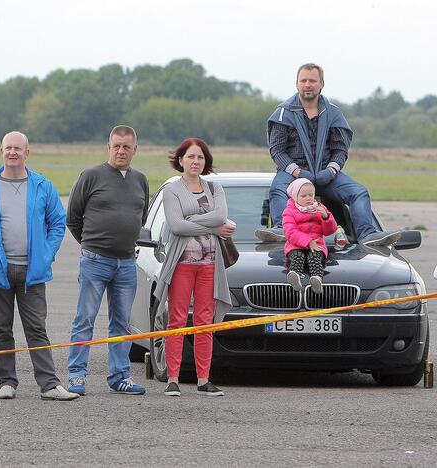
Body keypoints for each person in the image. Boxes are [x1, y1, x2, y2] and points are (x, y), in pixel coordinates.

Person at [0, 131, 79, 401]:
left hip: (32, 272)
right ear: (1, 151)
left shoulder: (42, 186)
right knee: (1, 329)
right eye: (8, 148)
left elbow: (57, 223)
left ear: (27, 152)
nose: (12, 152)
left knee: (36, 328)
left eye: (18, 148)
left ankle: (49, 385)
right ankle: (6, 381)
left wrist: (45, 255)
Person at [256, 63, 399, 247]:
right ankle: (281, 229)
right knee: (277, 189)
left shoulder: (334, 114)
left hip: (327, 172)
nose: (308, 84)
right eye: (304, 80)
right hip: (293, 173)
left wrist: (331, 171)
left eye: (312, 81)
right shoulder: (283, 114)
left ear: (321, 84)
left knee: (359, 192)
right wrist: (297, 172)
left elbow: (340, 150)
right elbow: (277, 150)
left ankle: (367, 234)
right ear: (297, 84)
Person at [65, 125, 150, 396]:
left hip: (126, 263)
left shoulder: (141, 180)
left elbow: (142, 217)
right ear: (108, 147)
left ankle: (119, 376)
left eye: (127, 146)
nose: (121, 151)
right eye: (117, 146)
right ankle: (77, 376)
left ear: (135, 149)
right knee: (85, 319)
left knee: (121, 322)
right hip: (95, 260)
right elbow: (73, 218)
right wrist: (92, 244)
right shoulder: (90, 176)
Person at [154, 138, 233, 397]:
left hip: (209, 265)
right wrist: (211, 226)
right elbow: (177, 226)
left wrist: (193, 220)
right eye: (190, 157)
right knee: (176, 320)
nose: (195, 161)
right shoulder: (172, 190)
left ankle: (203, 379)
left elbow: (221, 217)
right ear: (180, 160)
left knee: (204, 322)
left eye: (200, 157)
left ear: (205, 162)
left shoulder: (214, 188)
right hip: (182, 265)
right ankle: (173, 378)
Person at [282, 178, 338, 293]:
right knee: (297, 256)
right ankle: (295, 276)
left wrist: (326, 217)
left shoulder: (320, 208)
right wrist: (308, 242)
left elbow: (330, 231)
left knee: (315, 257)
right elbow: (290, 232)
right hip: (296, 245)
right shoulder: (289, 211)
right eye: (303, 196)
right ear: (294, 197)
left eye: (311, 195)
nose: (308, 198)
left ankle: (317, 279)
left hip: (317, 244)